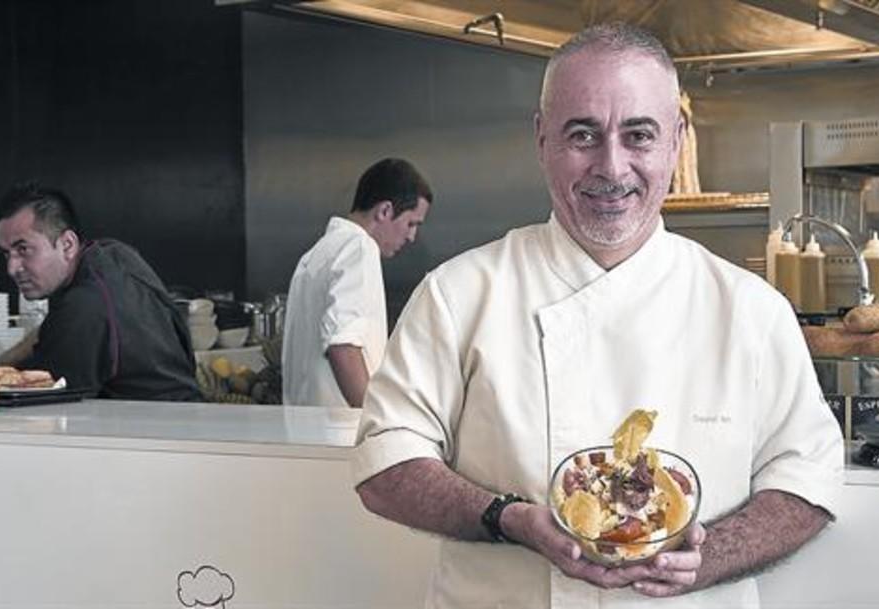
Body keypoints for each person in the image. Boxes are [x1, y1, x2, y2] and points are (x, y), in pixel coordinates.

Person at [351, 23, 843, 608]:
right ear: (541, 139)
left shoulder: (749, 309)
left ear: (676, 141)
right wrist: (505, 518)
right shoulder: (459, 294)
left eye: (639, 135)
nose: (611, 167)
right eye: (582, 135)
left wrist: (708, 557)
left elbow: (806, 479)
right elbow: (386, 462)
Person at [0, 183, 202, 402]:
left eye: (23, 249)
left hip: (149, 429)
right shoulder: (112, 254)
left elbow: (46, 405)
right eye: (7, 254)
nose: (12, 268)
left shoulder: (83, 306)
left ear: (67, 244)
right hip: (188, 413)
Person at [281, 158, 433, 408]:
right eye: (411, 223)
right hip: (341, 433)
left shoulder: (315, 255)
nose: (412, 236)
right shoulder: (359, 247)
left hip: (306, 431)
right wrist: (376, 422)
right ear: (385, 211)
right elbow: (343, 346)